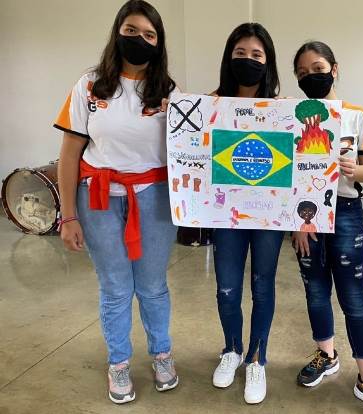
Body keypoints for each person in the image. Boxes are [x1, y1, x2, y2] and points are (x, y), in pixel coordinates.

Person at [54, 0, 179, 404]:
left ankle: (161, 353)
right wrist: (68, 216)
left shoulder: (169, 92)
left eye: (149, 34)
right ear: (117, 33)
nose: (139, 39)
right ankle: (119, 362)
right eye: (131, 31)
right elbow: (70, 154)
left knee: (153, 285)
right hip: (99, 195)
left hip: (154, 197)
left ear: (158, 42)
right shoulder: (89, 85)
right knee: (115, 285)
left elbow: (191, 151)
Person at [291, 41, 363, 414]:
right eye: (303, 72)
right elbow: (284, 174)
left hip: (345, 210)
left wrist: (357, 170)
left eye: (318, 68)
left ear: (334, 69)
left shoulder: (358, 116)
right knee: (315, 289)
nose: (311, 76)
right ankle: (326, 354)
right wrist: (298, 221)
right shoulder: (289, 116)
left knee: (354, 296)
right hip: (304, 213)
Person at [209, 22, 283, 405]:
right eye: (240, 53)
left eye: (256, 54)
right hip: (226, 215)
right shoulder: (210, 105)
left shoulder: (281, 110)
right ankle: (232, 350)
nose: (248, 60)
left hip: (269, 215)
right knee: (226, 288)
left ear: (268, 62)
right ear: (229, 57)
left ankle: (257, 358)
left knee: (262, 285)